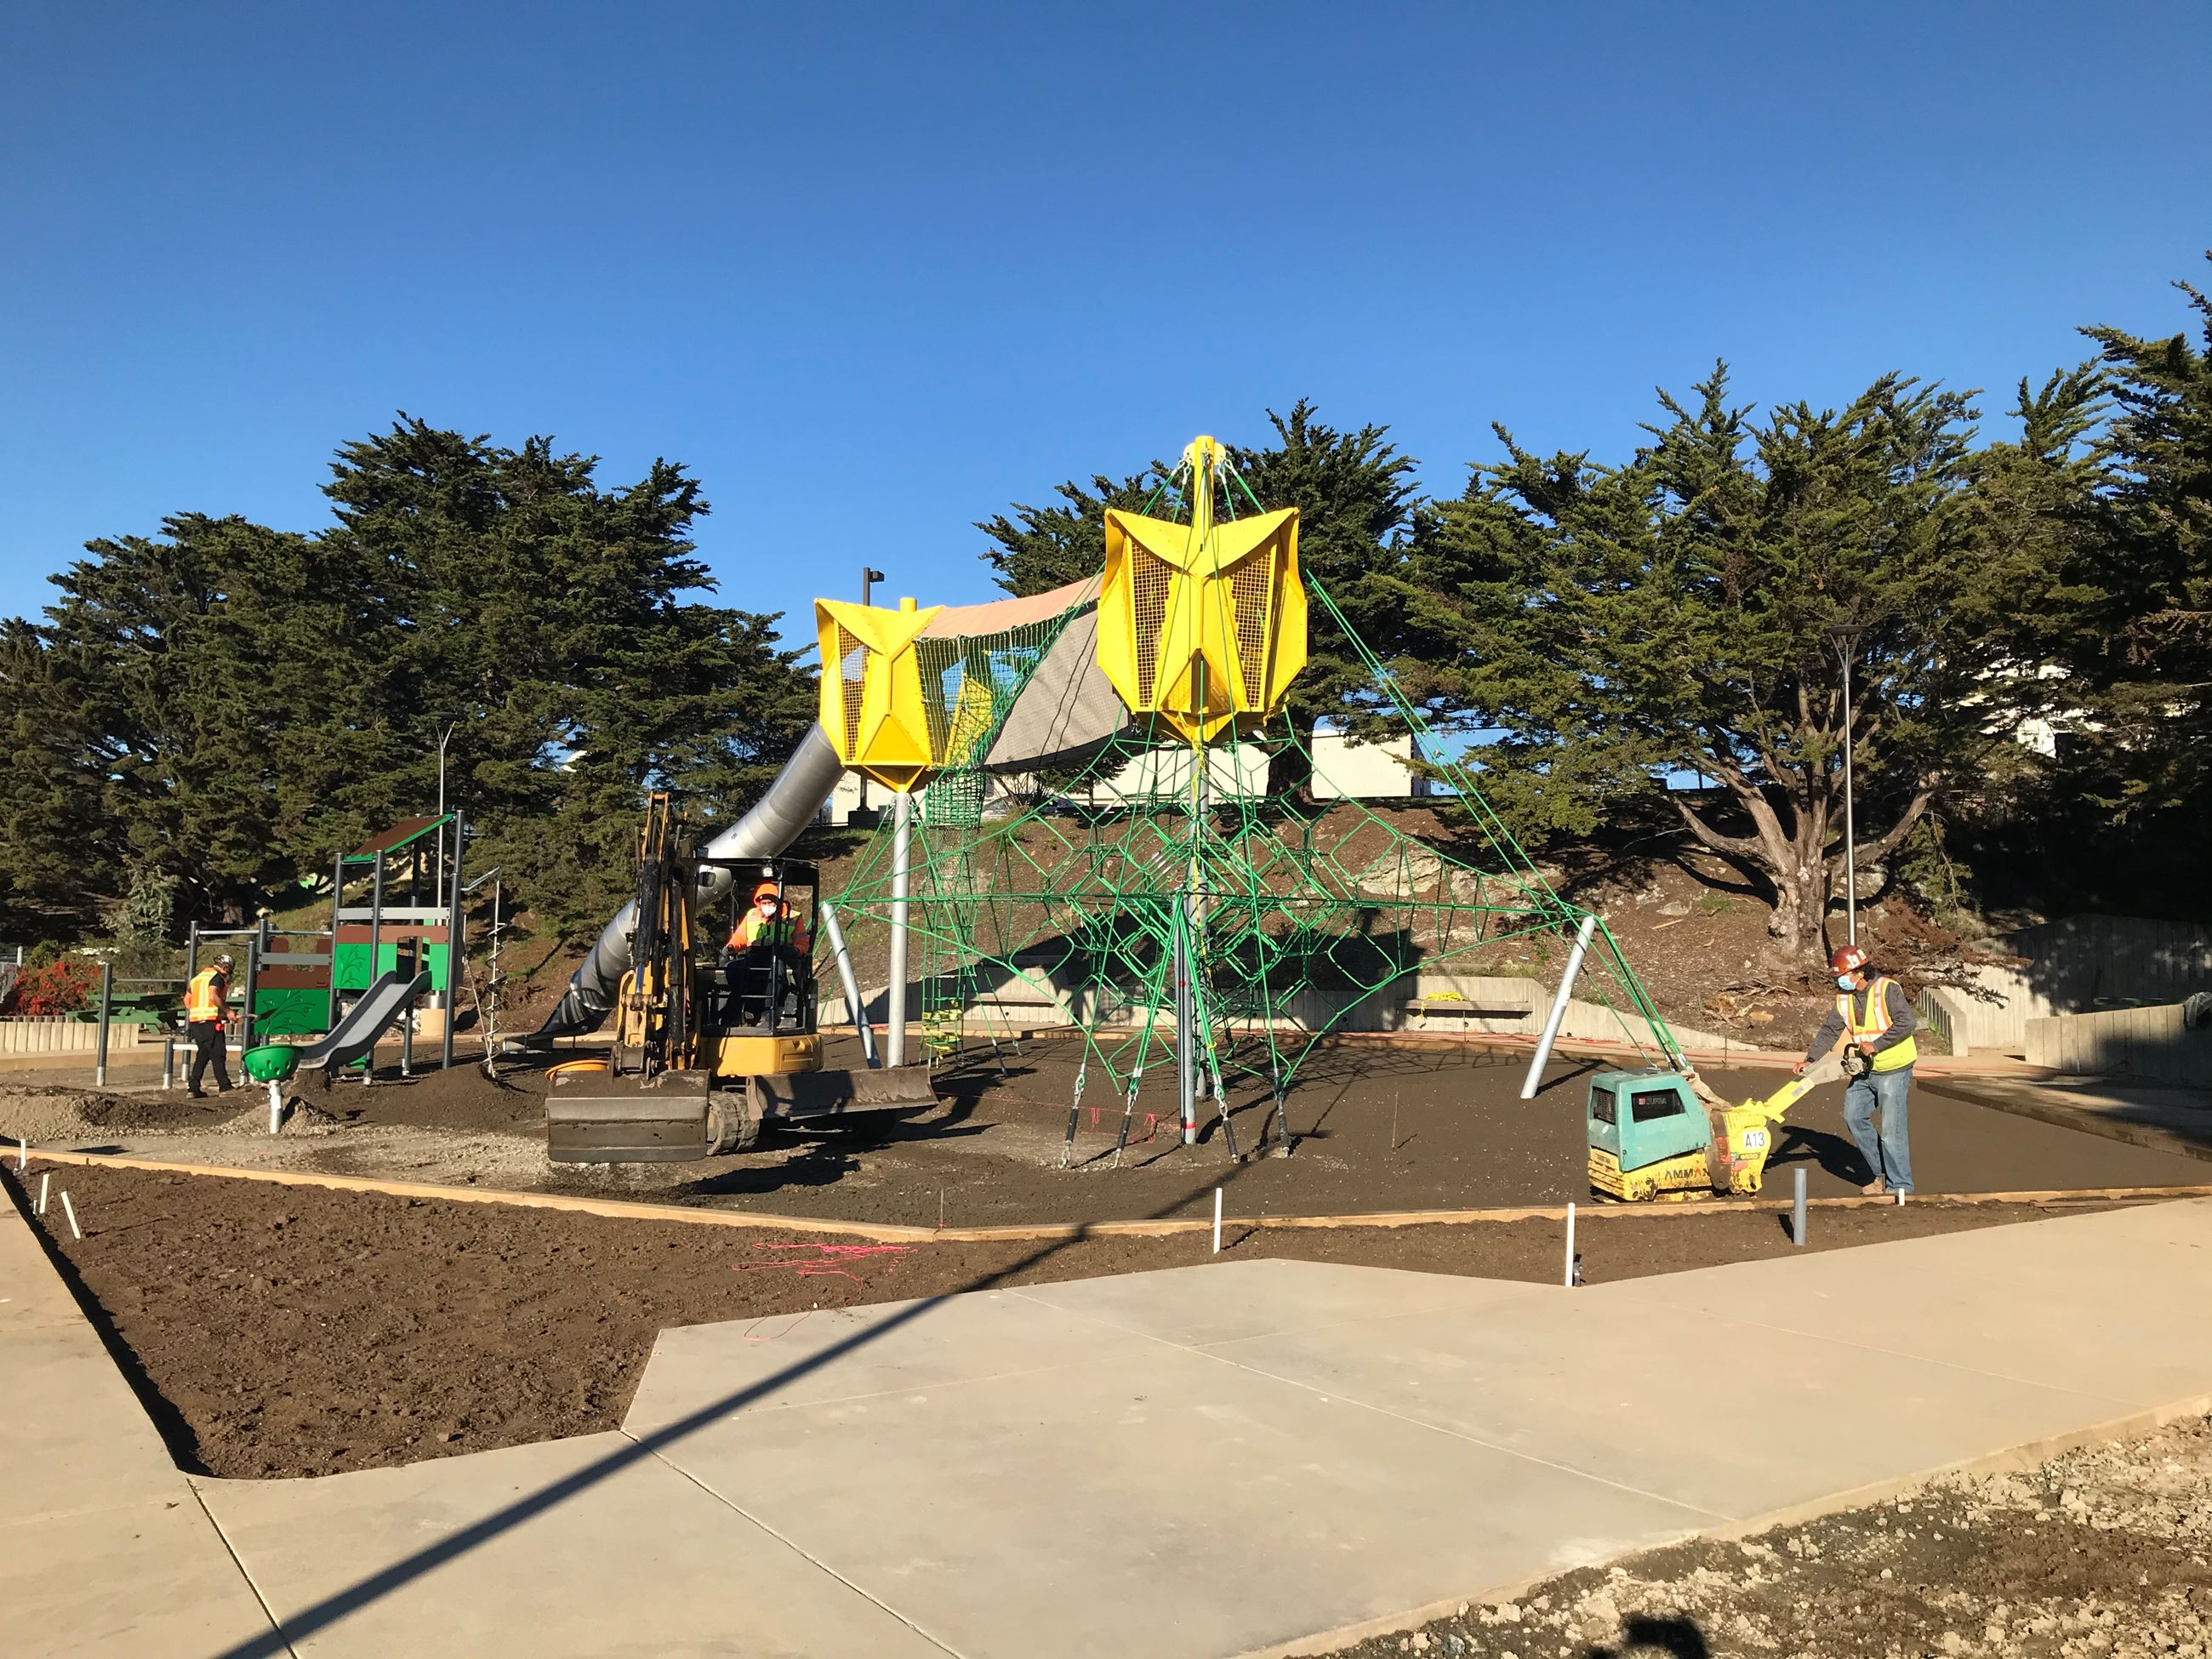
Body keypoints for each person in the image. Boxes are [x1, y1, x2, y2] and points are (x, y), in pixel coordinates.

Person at [1793, 943, 1918, 1195]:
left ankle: (1900, 1187)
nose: (1839, 981)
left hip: (1894, 1068)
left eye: (1842, 976)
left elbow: (1907, 1022)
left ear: (1859, 972)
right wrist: (1810, 1060)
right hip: (1865, 1069)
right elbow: (1830, 1030)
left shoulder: (1886, 990)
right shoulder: (1843, 999)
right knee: (1853, 1117)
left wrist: (1877, 1044)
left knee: (1892, 1132)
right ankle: (1882, 1176)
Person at [724, 882, 812, 1019]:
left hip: (781, 956)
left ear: (777, 902)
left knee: (775, 974)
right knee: (733, 969)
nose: (767, 906)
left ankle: (768, 1012)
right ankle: (737, 1011)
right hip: (755, 955)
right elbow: (740, 937)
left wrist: (795, 951)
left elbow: (802, 943)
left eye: (770, 903)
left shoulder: (793, 917)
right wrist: (731, 947)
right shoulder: (752, 915)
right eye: (763, 902)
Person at [184, 952, 236, 1097]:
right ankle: (225, 1087)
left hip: (196, 1023)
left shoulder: (197, 979)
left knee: (203, 1054)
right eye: (229, 971)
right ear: (225, 967)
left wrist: (199, 1013)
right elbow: (213, 995)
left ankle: (193, 1088)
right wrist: (228, 1011)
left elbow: (187, 1001)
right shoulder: (217, 977)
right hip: (211, 1022)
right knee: (218, 1054)